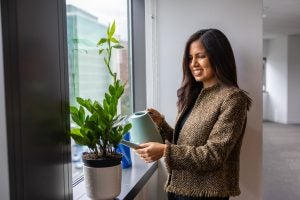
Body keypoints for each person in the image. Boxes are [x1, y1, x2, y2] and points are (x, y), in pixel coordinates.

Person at [135, 29, 252, 200]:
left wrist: (164, 151)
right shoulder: (193, 95)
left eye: (201, 56)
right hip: (177, 190)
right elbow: (184, 143)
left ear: (218, 57)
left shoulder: (233, 98)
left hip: (206, 195)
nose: (193, 63)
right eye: (190, 58)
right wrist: (161, 124)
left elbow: (213, 156)